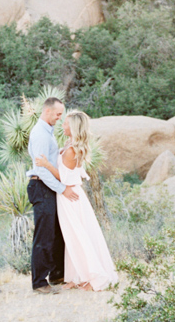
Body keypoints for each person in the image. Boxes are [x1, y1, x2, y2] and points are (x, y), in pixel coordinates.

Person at [34, 110, 118, 292]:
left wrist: (47, 165)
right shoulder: (69, 145)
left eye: (65, 123)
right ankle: (76, 276)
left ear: (73, 127)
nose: (62, 125)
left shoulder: (72, 150)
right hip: (69, 196)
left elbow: (63, 178)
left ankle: (93, 277)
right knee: (71, 237)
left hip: (69, 197)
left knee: (78, 236)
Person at [26, 97, 78, 293]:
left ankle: (57, 274)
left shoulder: (48, 132)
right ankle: (39, 282)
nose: (59, 117)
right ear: (47, 111)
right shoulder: (40, 134)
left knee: (57, 232)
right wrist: (62, 188)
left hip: (49, 187)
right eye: (57, 114)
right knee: (44, 235)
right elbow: (42, 170)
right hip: (41, 186)